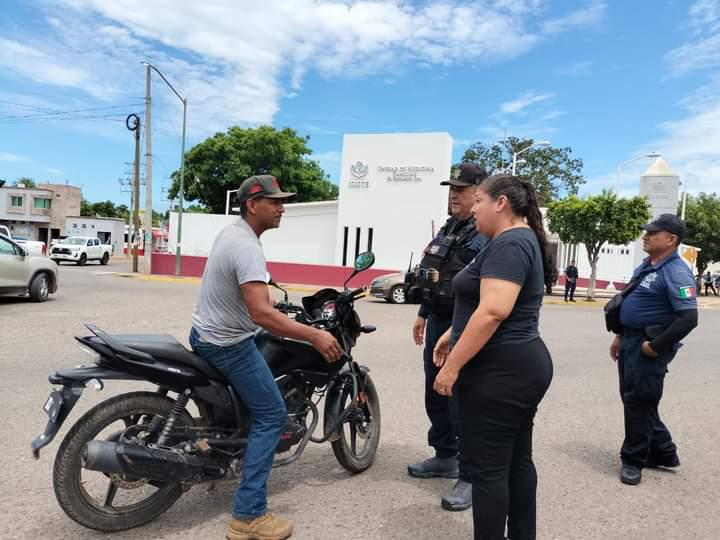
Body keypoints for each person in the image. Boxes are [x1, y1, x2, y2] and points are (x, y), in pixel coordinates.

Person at [189, 175, 343, 540]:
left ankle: (223, 440)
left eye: (282, 201)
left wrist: (270, 303)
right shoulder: (246, 246)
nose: (282, 208)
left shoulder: (233, 233)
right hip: (227, 343)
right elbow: (260, 315)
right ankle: (248, 515)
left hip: (205, 332)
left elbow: (249, 296)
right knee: (273, 414)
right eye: (274, 202)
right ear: (252, 205)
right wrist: (316, 334)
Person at [433, 174, 553, 540]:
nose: (473, 210)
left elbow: (494, 311)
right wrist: (453, 332)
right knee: (515, 461)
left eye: (479, 201)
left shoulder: (511, 243)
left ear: (501, 203)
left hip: (502, 372)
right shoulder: (510, 239)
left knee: (488, 470)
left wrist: (452, 367)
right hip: (517, 366)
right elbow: (490, 302)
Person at [406, 163, 489, 512]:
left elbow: (484, 288)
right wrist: (423, 314)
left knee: (462, 399)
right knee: (435, 392)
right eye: (451, 188)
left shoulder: (484, 231)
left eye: (462, 188)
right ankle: (445, 455)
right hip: (439, 320)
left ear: (479, 192)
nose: (454, 194)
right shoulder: (450, 227)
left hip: (464, 325)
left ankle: (472, 475)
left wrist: (460, 328)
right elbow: (435, 274)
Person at [609, 214, 699, 486]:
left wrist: (654, 347)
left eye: (653, 233)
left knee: (640, 400)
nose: (645, 236)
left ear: (671, 239)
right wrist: (620, 336)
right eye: (646, 232)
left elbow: (688, 317)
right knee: (635, 398)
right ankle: (664, 451)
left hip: (649, 343)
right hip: (630, 340)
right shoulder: (648, 265)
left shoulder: (677, 271)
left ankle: (634, 460)